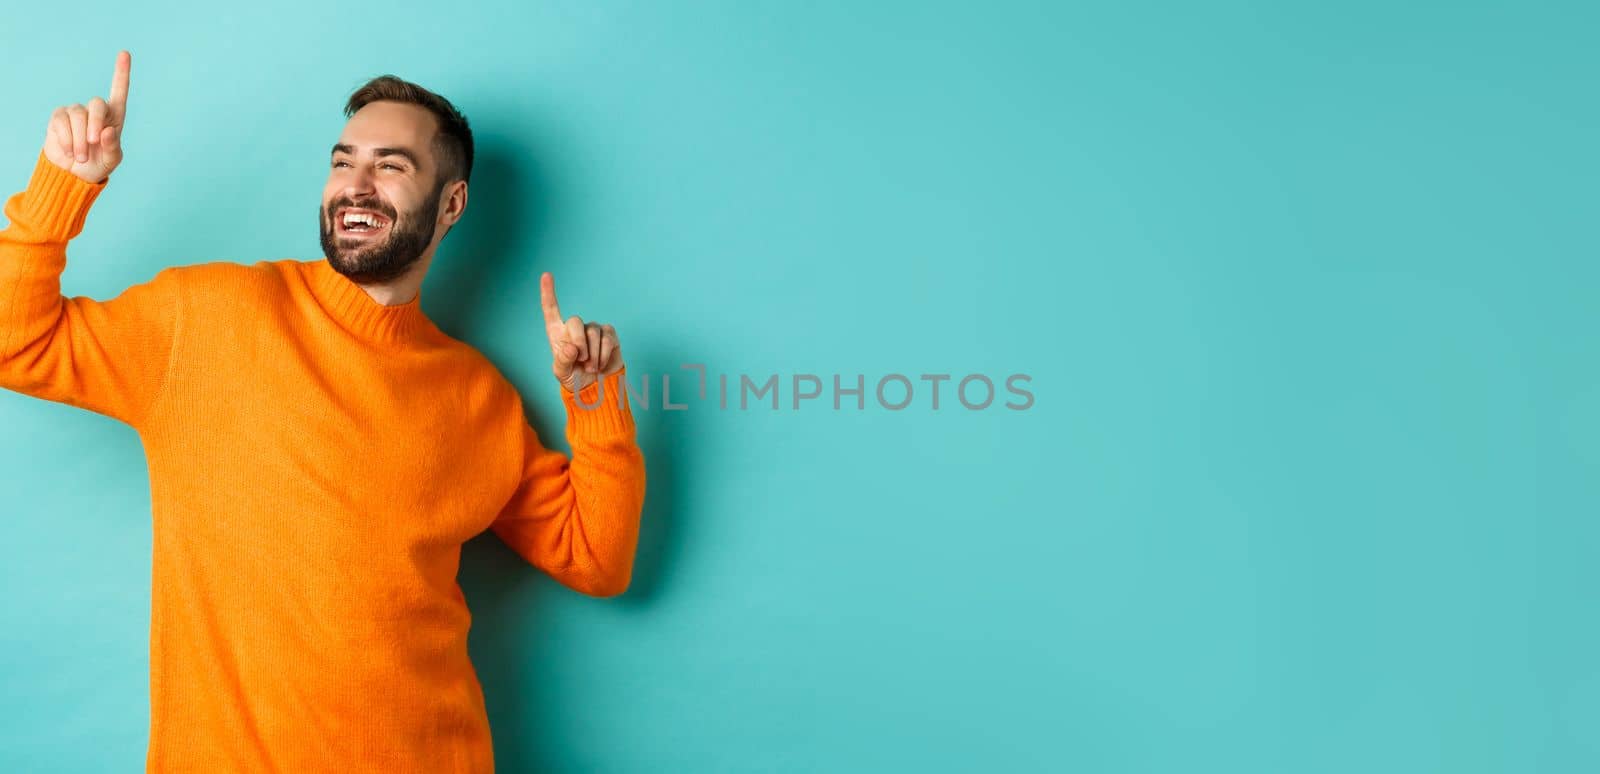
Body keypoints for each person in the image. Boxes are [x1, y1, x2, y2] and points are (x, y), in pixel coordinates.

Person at [0, 50, 647, 772]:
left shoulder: (477, 396)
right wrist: (65, 186)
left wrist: (595, 398)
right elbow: (14, 343)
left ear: (452, 204)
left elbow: (596, 558)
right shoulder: (208, 317)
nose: (356, 186)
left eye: (392, 166)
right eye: (344, 162)